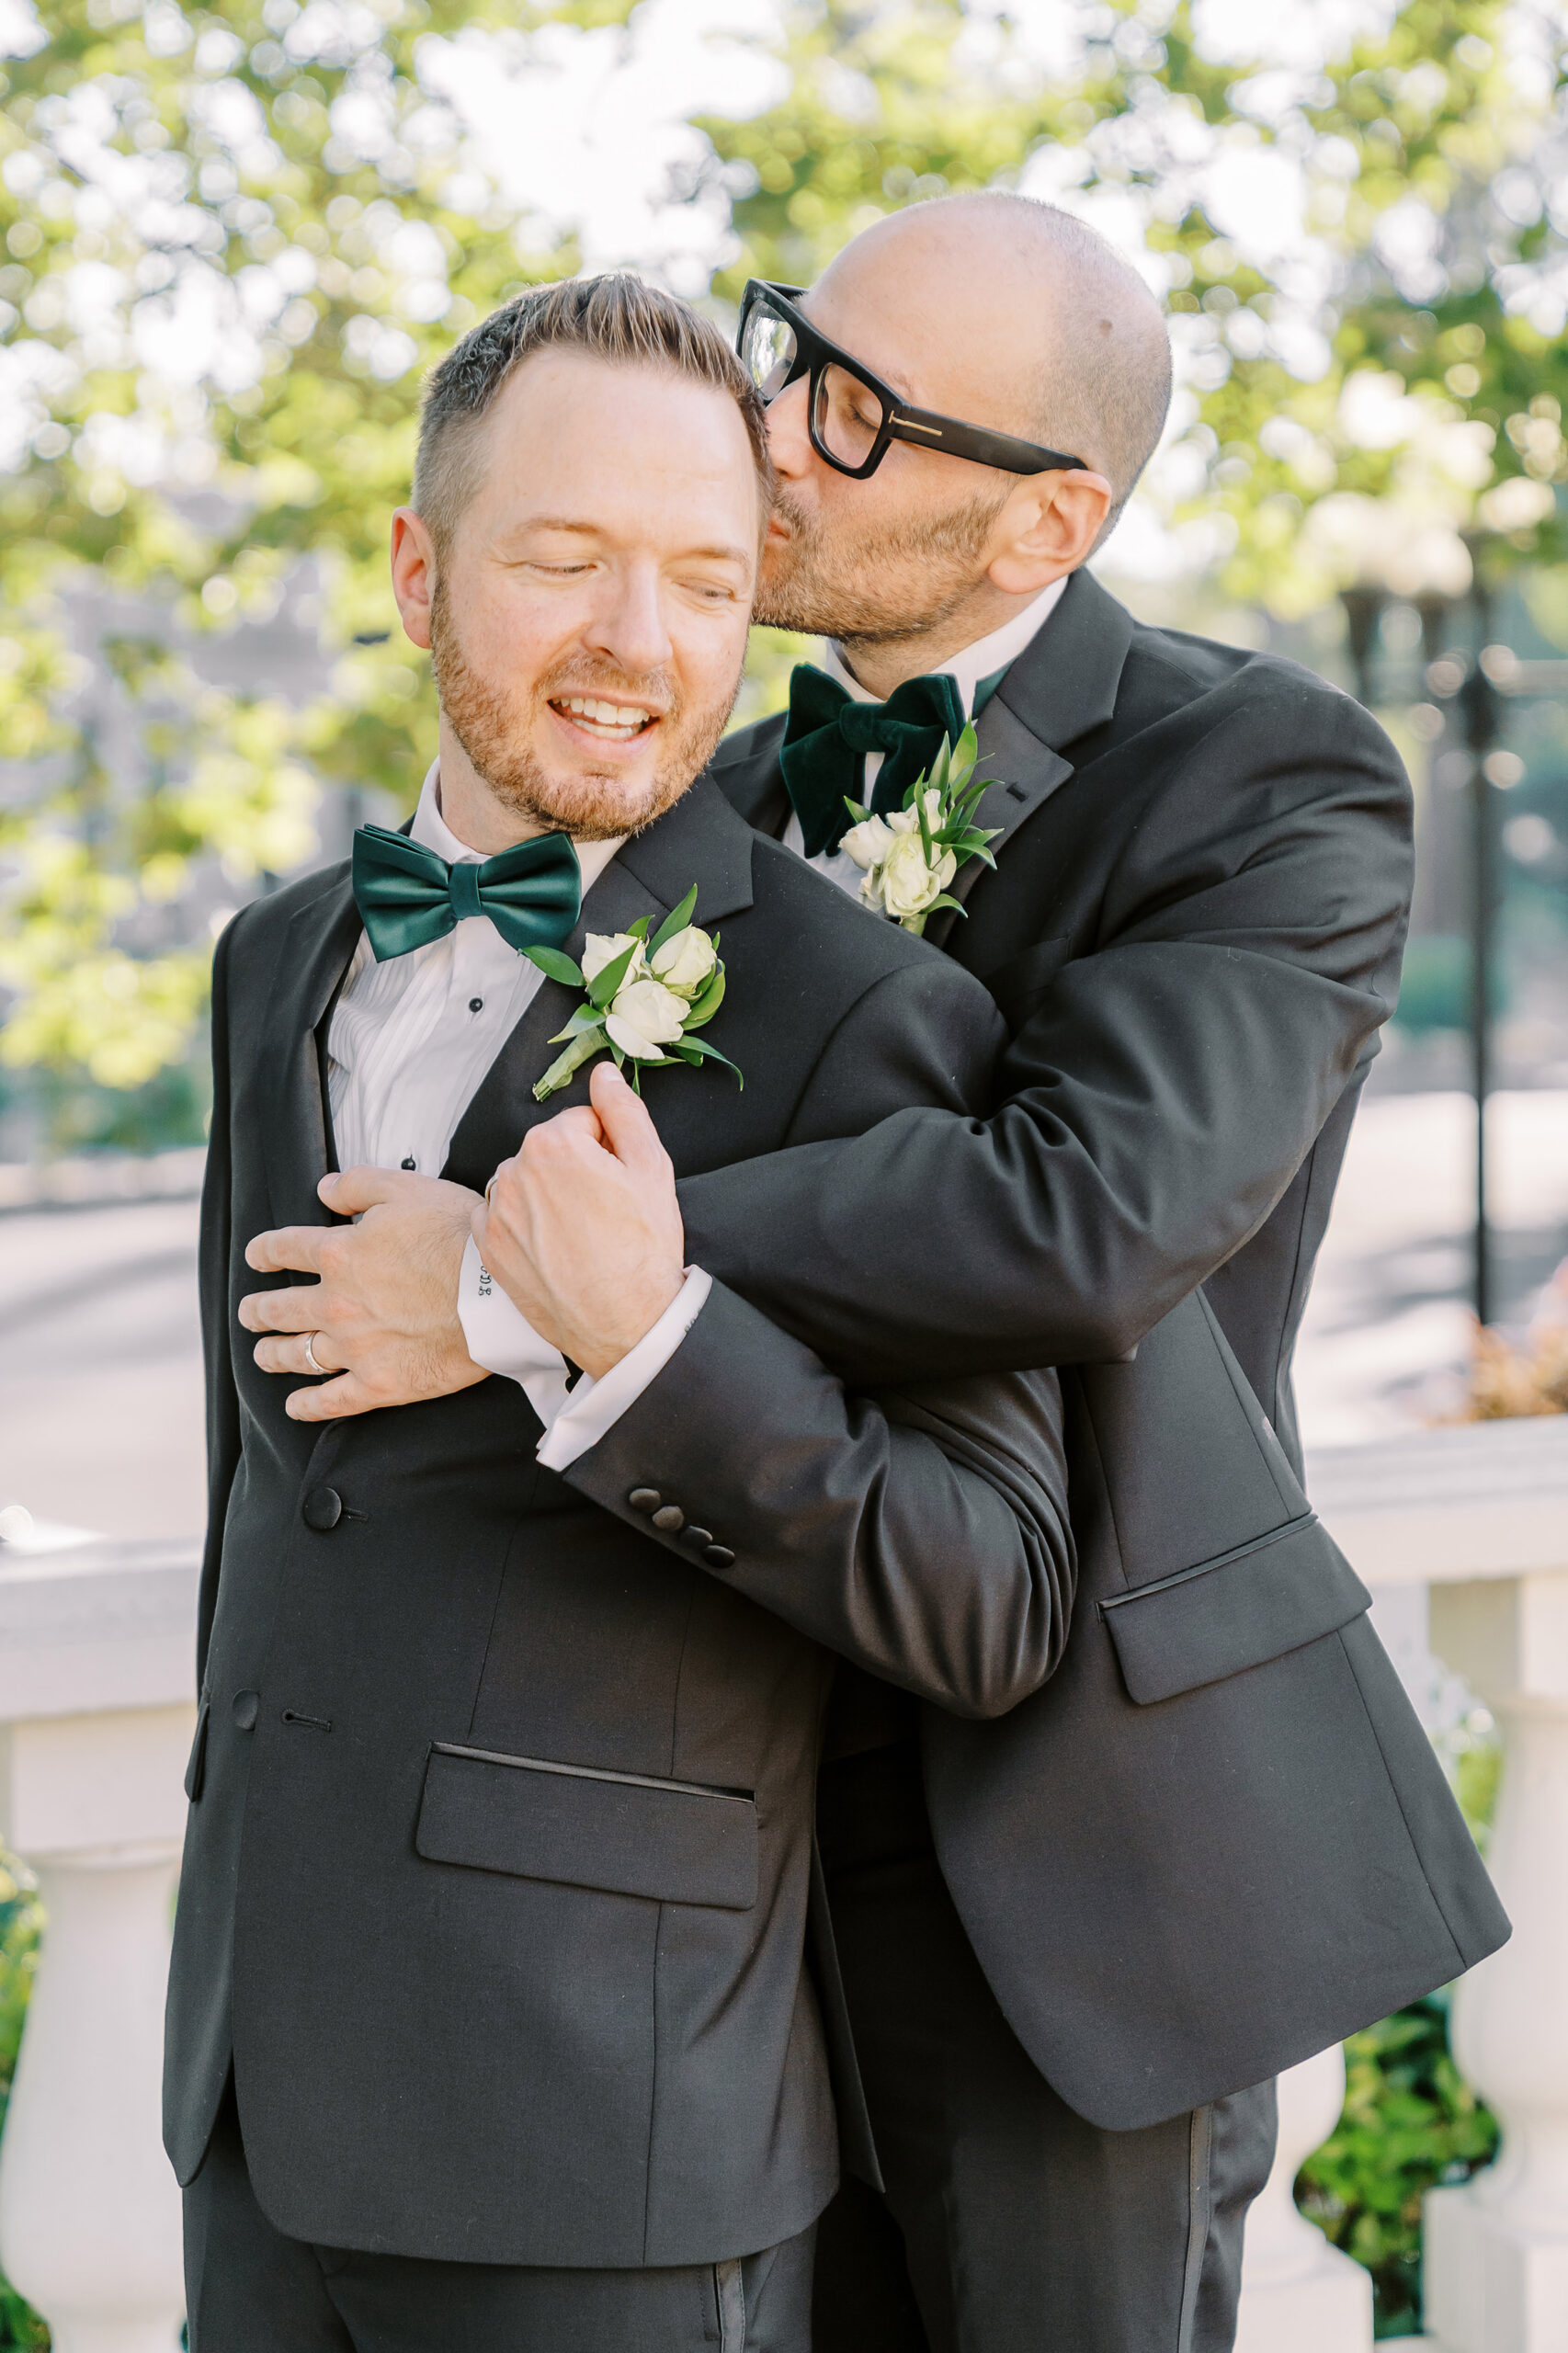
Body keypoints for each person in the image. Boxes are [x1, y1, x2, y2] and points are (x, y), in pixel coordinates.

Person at [242, 199, 1508, 2353]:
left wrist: (522, 1274)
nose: (768, 434)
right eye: (781, 353)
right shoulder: (698, 774)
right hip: (694, 1798)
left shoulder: (1265, 777)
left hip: (1068, 1838)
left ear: (1045, 525)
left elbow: (1083, 1208)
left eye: (858, 414)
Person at [166, 270, 1085, 2353]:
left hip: (608, 2137)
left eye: (698, 574)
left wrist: (634, 1336)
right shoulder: (268, 957)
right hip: (247, 2094)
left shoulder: (868, 1018)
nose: (636, 642)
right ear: (420, 569)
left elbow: (990, 1591)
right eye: (563, 560)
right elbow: (268, 1488)